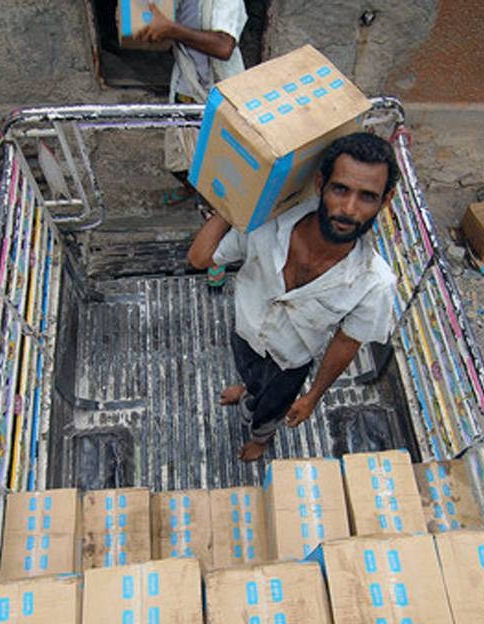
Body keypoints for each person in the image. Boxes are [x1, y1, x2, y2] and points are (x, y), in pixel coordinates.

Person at [187, 132, 399, 461]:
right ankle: (248, 391)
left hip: (290, 363)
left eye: (367, 196)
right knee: (249, 376)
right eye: (340, 189)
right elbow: (200, 259)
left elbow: (346, 343)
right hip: (245, 334)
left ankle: (260, 439)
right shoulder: (267, 221)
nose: (349, 209)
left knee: (272, 408)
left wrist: (313, 395)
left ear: (385, 201)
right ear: (320, 184)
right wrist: (239, 202)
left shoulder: (375, 282)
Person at [133, 0, 247, 288]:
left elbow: (224, 46)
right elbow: (140, 32)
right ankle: (189, 186)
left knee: (218, 182)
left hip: (219, 95)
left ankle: (217, 253)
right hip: (185, 87)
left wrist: (170, 28)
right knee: (178, 161)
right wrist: (145, 25)